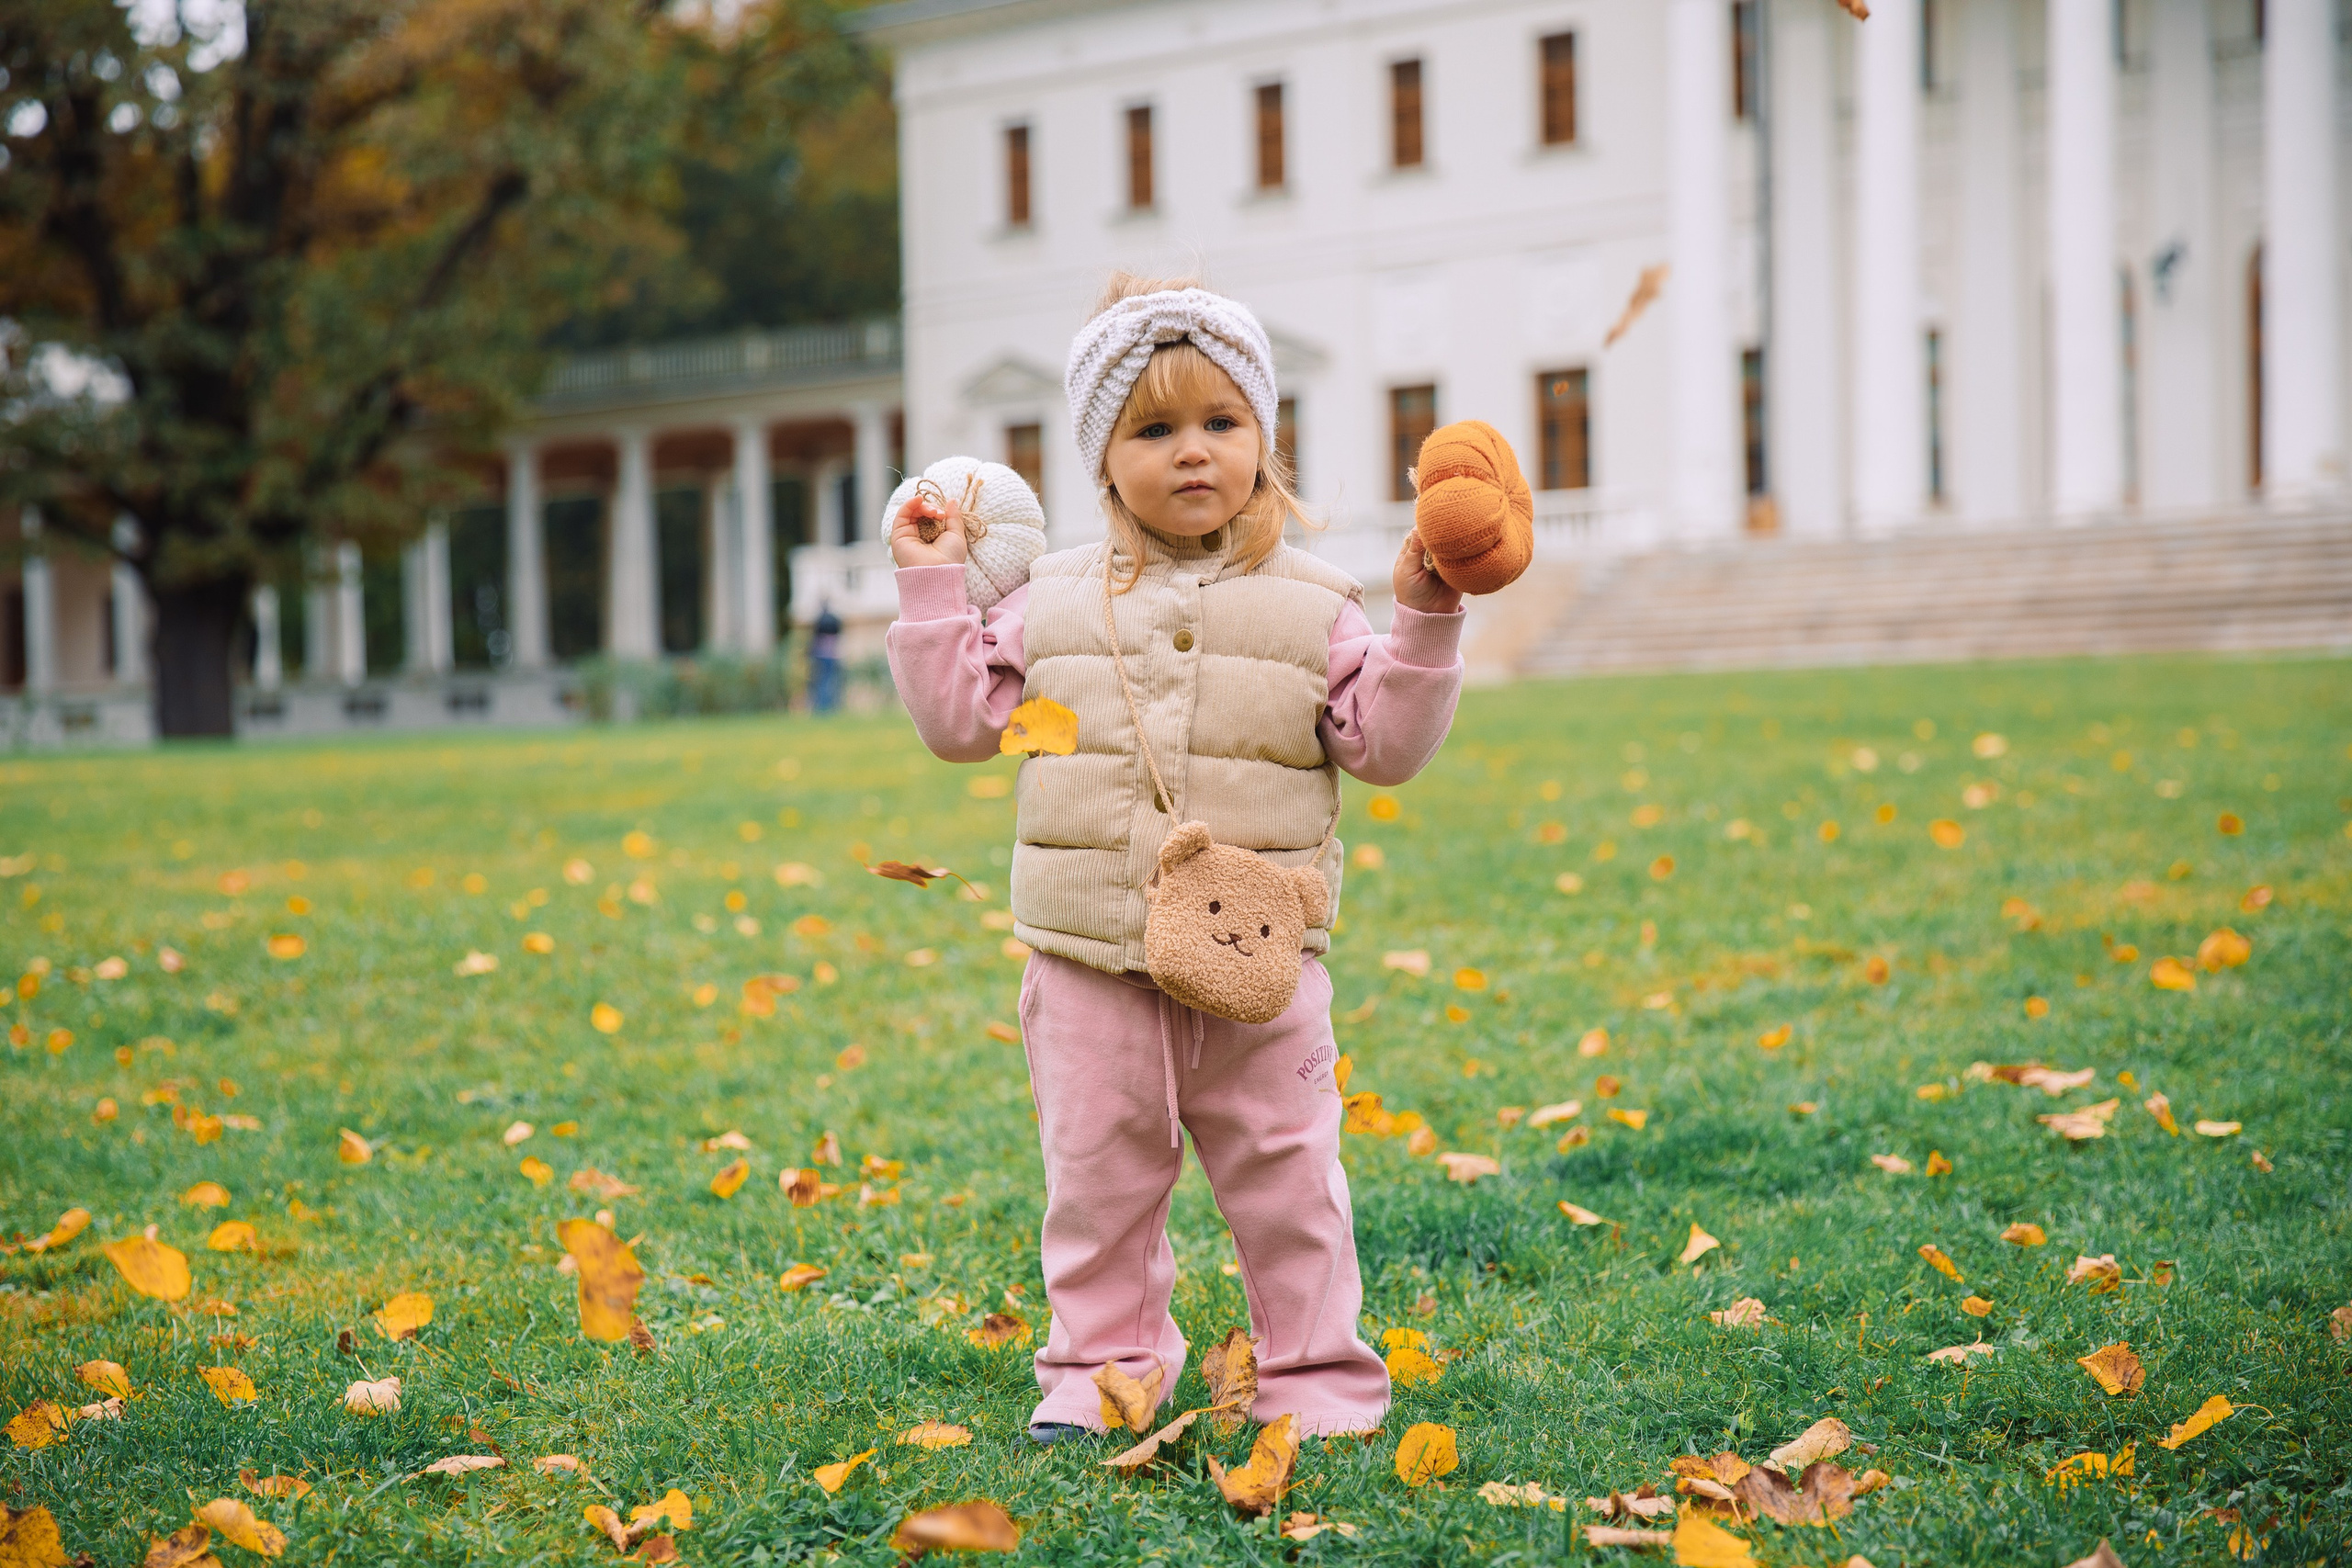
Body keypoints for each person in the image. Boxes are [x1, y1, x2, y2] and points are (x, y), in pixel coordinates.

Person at [885, 275, 1464, 1444]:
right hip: (1090, 959)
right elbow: (959, 726)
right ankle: (1104, 1372)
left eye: (1221, 423)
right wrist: (932, 584)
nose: (1192, 453)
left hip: (1261, 964)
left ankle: (1314, 1378)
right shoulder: (1048, 602)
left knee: (1290, 1184)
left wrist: (1424, 624)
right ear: (1103, 461)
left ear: (1263, 438)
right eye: (1153, 430)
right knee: (1096, 1187)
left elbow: (1384, 747)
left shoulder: (1317, 606)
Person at [807, 603, 843, 713]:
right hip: (832, 655)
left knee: (821, 681)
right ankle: (830, 706)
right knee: (831, 681)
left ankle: (822, 707)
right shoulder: (834, 620)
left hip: (820, 655)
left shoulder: (819, 621)